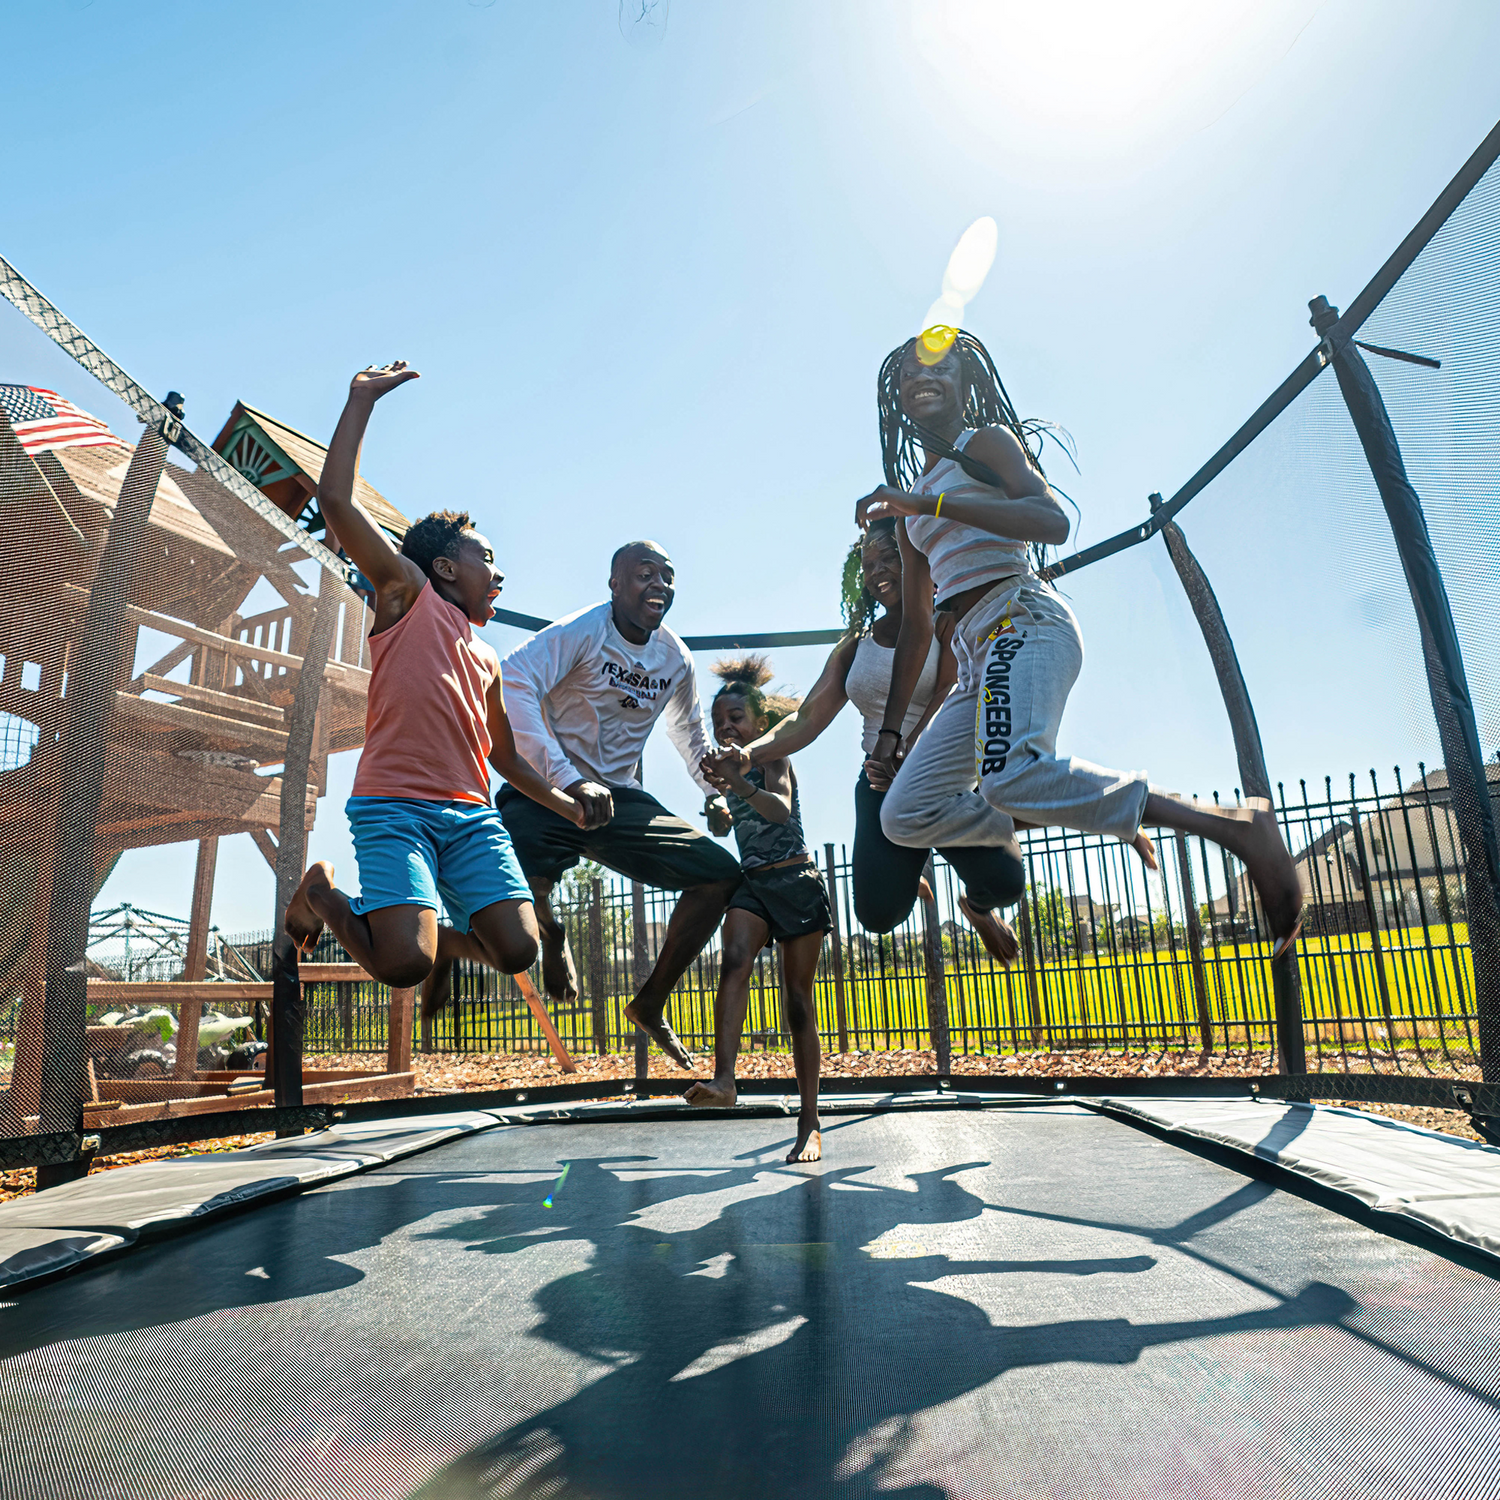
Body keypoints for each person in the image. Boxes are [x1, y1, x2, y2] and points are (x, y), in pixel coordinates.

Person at [856, 327, 1303, 954]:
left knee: (1008, 778)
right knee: (904, 814)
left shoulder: (985, 445)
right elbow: (917, 628)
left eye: (939, 366)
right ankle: (1085, 808)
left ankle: (1237, 828)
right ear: (897, 395)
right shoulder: (913, 502)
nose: (922, 377)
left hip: (1022, 619)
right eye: (909, 371)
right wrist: (889, 734)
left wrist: (929, 505)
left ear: (964, 380)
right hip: (975, 655)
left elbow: (1051, 521)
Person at [284, 363, 584, 1006]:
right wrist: (362, 399)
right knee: (403, 964)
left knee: (518, 948)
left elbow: (505, 758)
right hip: (395, 807)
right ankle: (322, 896)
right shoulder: (408, 596)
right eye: (487, 559)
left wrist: (566, 805)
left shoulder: (486, 657)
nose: (499, 572)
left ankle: (424, 911)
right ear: (444, 567)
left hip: (472, 817)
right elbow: (336, 502)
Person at [708, 520, 1025, 961]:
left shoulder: (947, 622)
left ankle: (976, 907)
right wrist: (748, 755)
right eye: (868, 564)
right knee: (877, 916)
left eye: (889, 558)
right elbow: (806, 717)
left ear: (915, 561)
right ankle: (909, 863)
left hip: (942, 780)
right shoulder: (855, 646)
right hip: (879, 781)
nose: (877, 571)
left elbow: (950, 690)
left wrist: (909, 751)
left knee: (1005, 885)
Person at [498, 542, 743, 1067]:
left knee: (721, 876)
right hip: (546, 790)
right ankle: (551, 931)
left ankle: (651, 1002)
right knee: (526, 889)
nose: (660, 585)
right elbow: (512, 680)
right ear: (614, 584)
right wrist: (566, 779)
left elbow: (689, 733)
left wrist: (714, 795)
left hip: (618, 798)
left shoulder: (674, 658)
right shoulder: (582, 631)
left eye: (668, 577)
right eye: (645, 574)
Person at [688, 658, 828, 1162]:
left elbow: (780, 810)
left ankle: (809, 1120)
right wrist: (717, 808)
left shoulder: (773, 758)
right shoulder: (724, 772)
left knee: (797, 1002)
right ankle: (725, 1079)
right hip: (755, 885)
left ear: (760, 723)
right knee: (734, 960)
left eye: (736, 718)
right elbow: (729, 824)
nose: (726, 727)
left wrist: (740, 785)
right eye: (719, 721)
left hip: (795, 882)